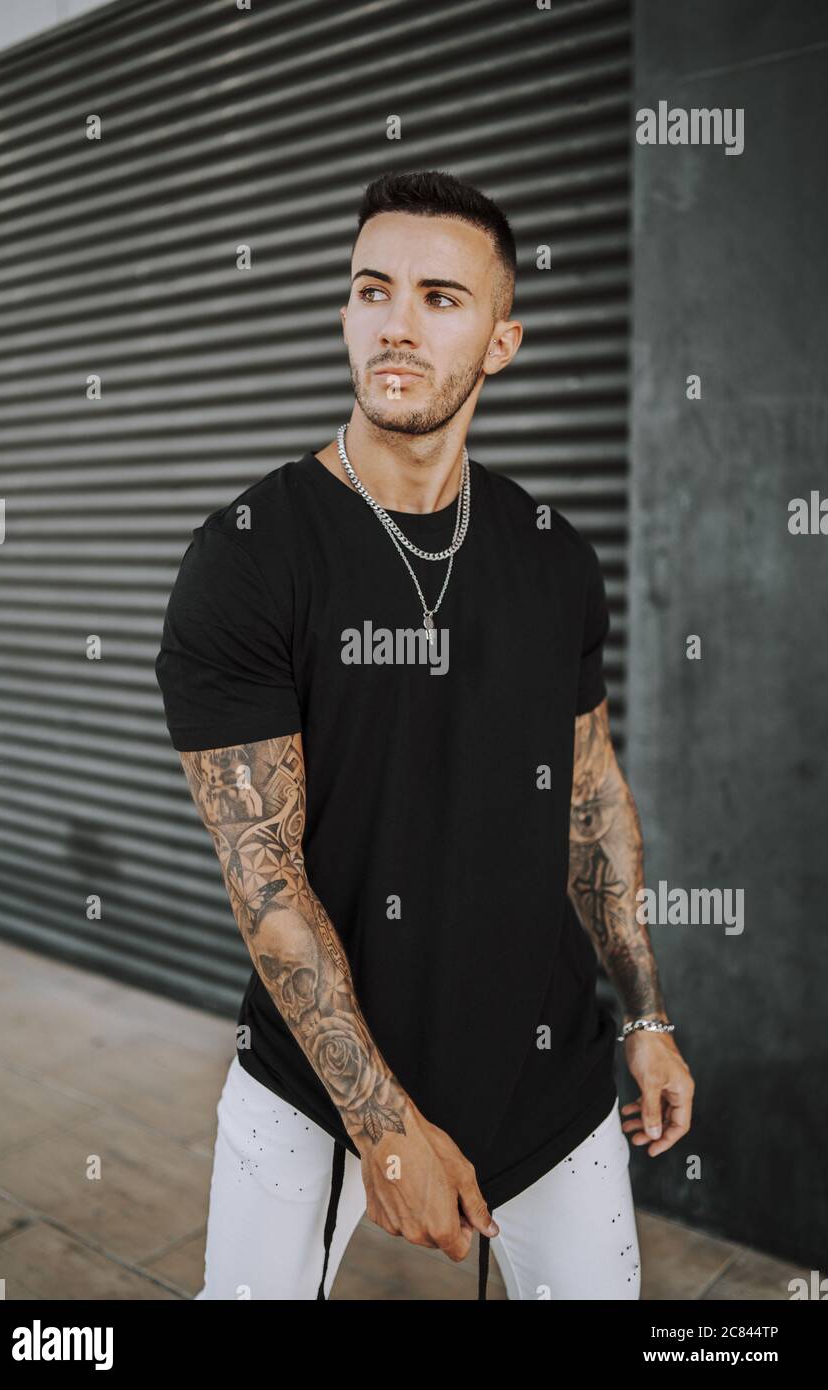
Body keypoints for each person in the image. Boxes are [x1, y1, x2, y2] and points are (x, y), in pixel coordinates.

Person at [155, 169, 694, 1301]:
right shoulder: (248, 558)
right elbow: (266, 882)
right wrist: (384, 1123)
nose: (395, 320)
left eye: (440, 298)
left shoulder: (551, 555)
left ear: (501, 342)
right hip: (320, 1075)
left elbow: (589, 799)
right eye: (371, 288)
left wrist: (640, 1008)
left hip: (544, 1067)